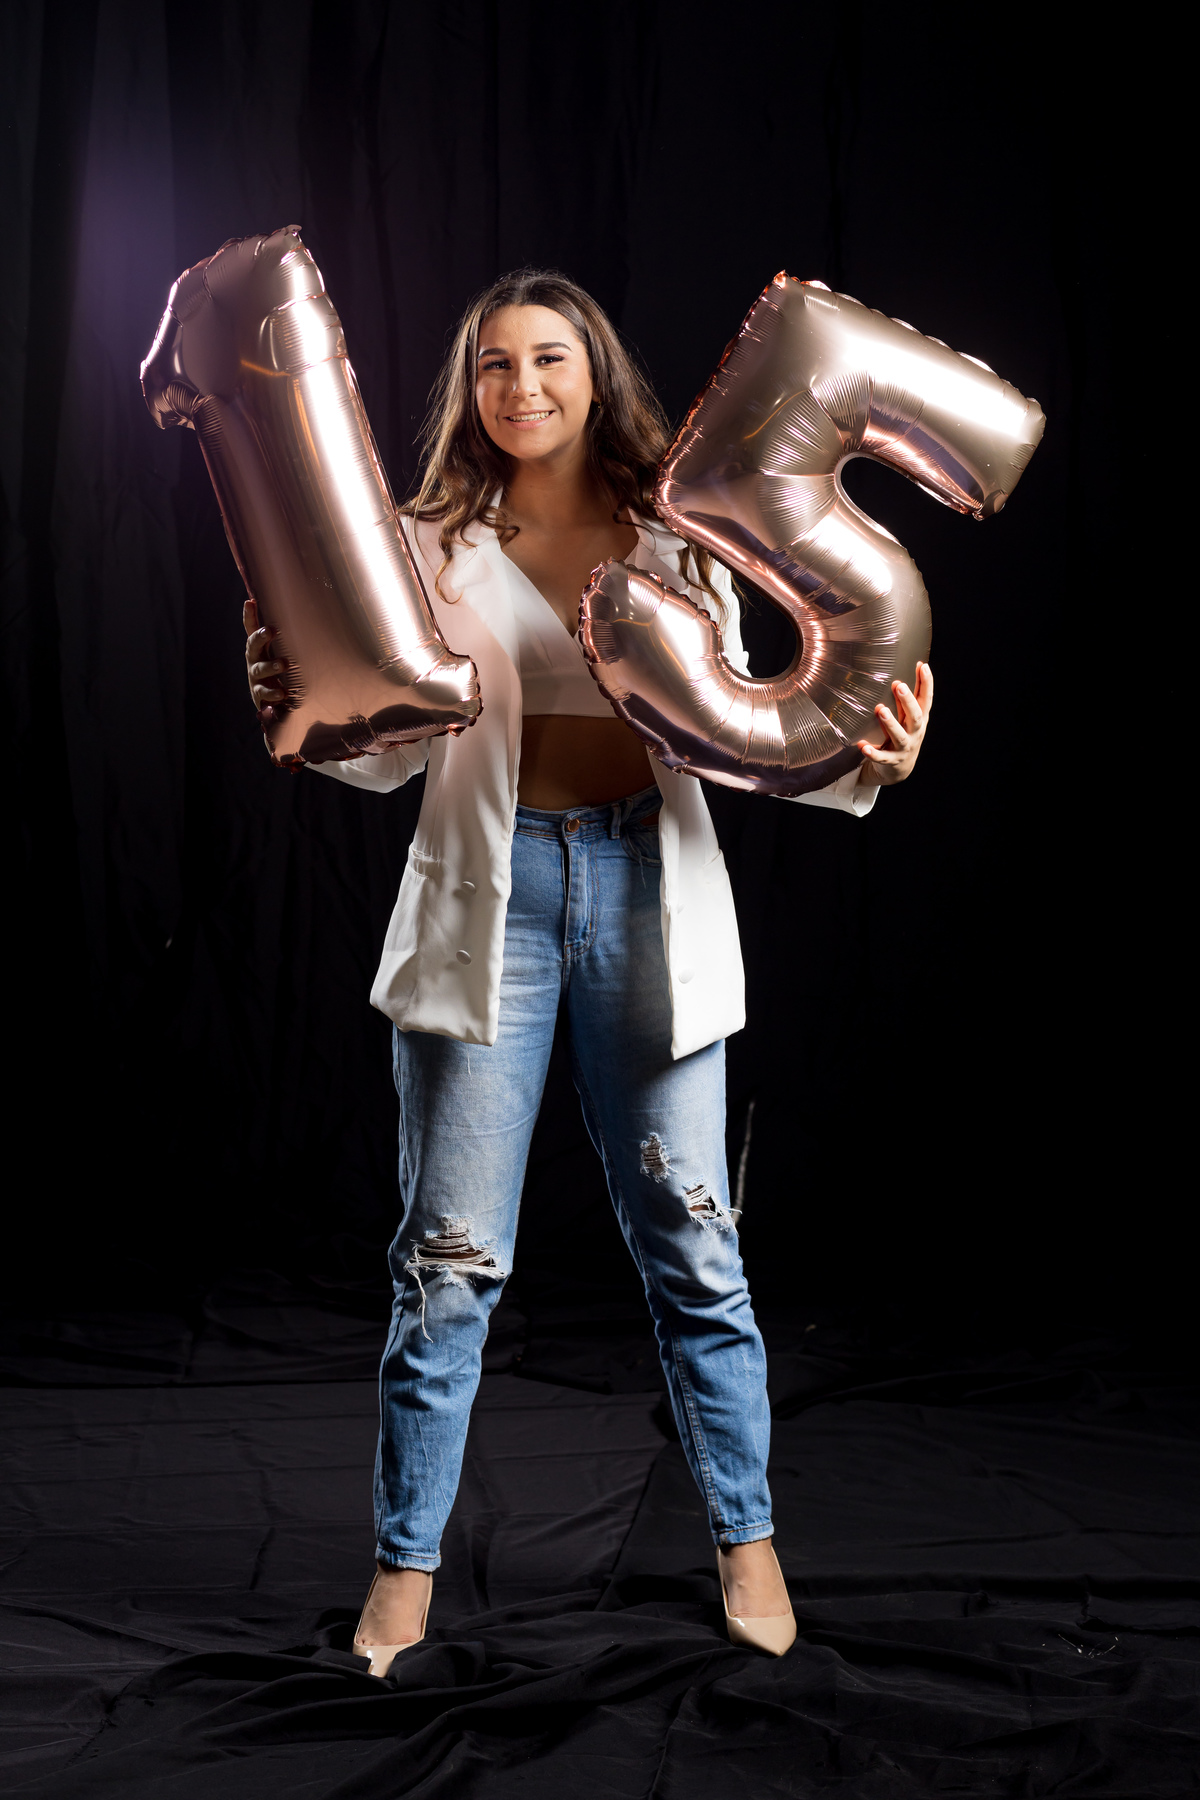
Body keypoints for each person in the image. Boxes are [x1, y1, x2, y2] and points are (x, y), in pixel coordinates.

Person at [244, 270, 932, 1673]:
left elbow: (747, 729)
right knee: (447, 1266)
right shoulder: (426, 542)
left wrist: (866, 763)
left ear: (591, 370)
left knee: (695, 1244)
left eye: (547, 360)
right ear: (471, 387)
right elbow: (384, 756)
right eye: (494, 366)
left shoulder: (683, 532)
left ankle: (748, 1544)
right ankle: (402, 1578)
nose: (522, 389)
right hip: (486, 908)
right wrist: (306, 708)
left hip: (645, 889)